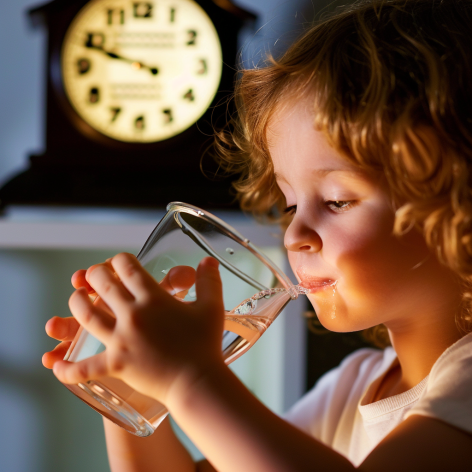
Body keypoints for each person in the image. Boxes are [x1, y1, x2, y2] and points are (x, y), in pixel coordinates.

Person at [42, 0, 472, 469]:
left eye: (337, 201)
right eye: (289, 205)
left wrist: (190, 378)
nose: (294, 236)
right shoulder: (352, 388)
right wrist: (130, 385)